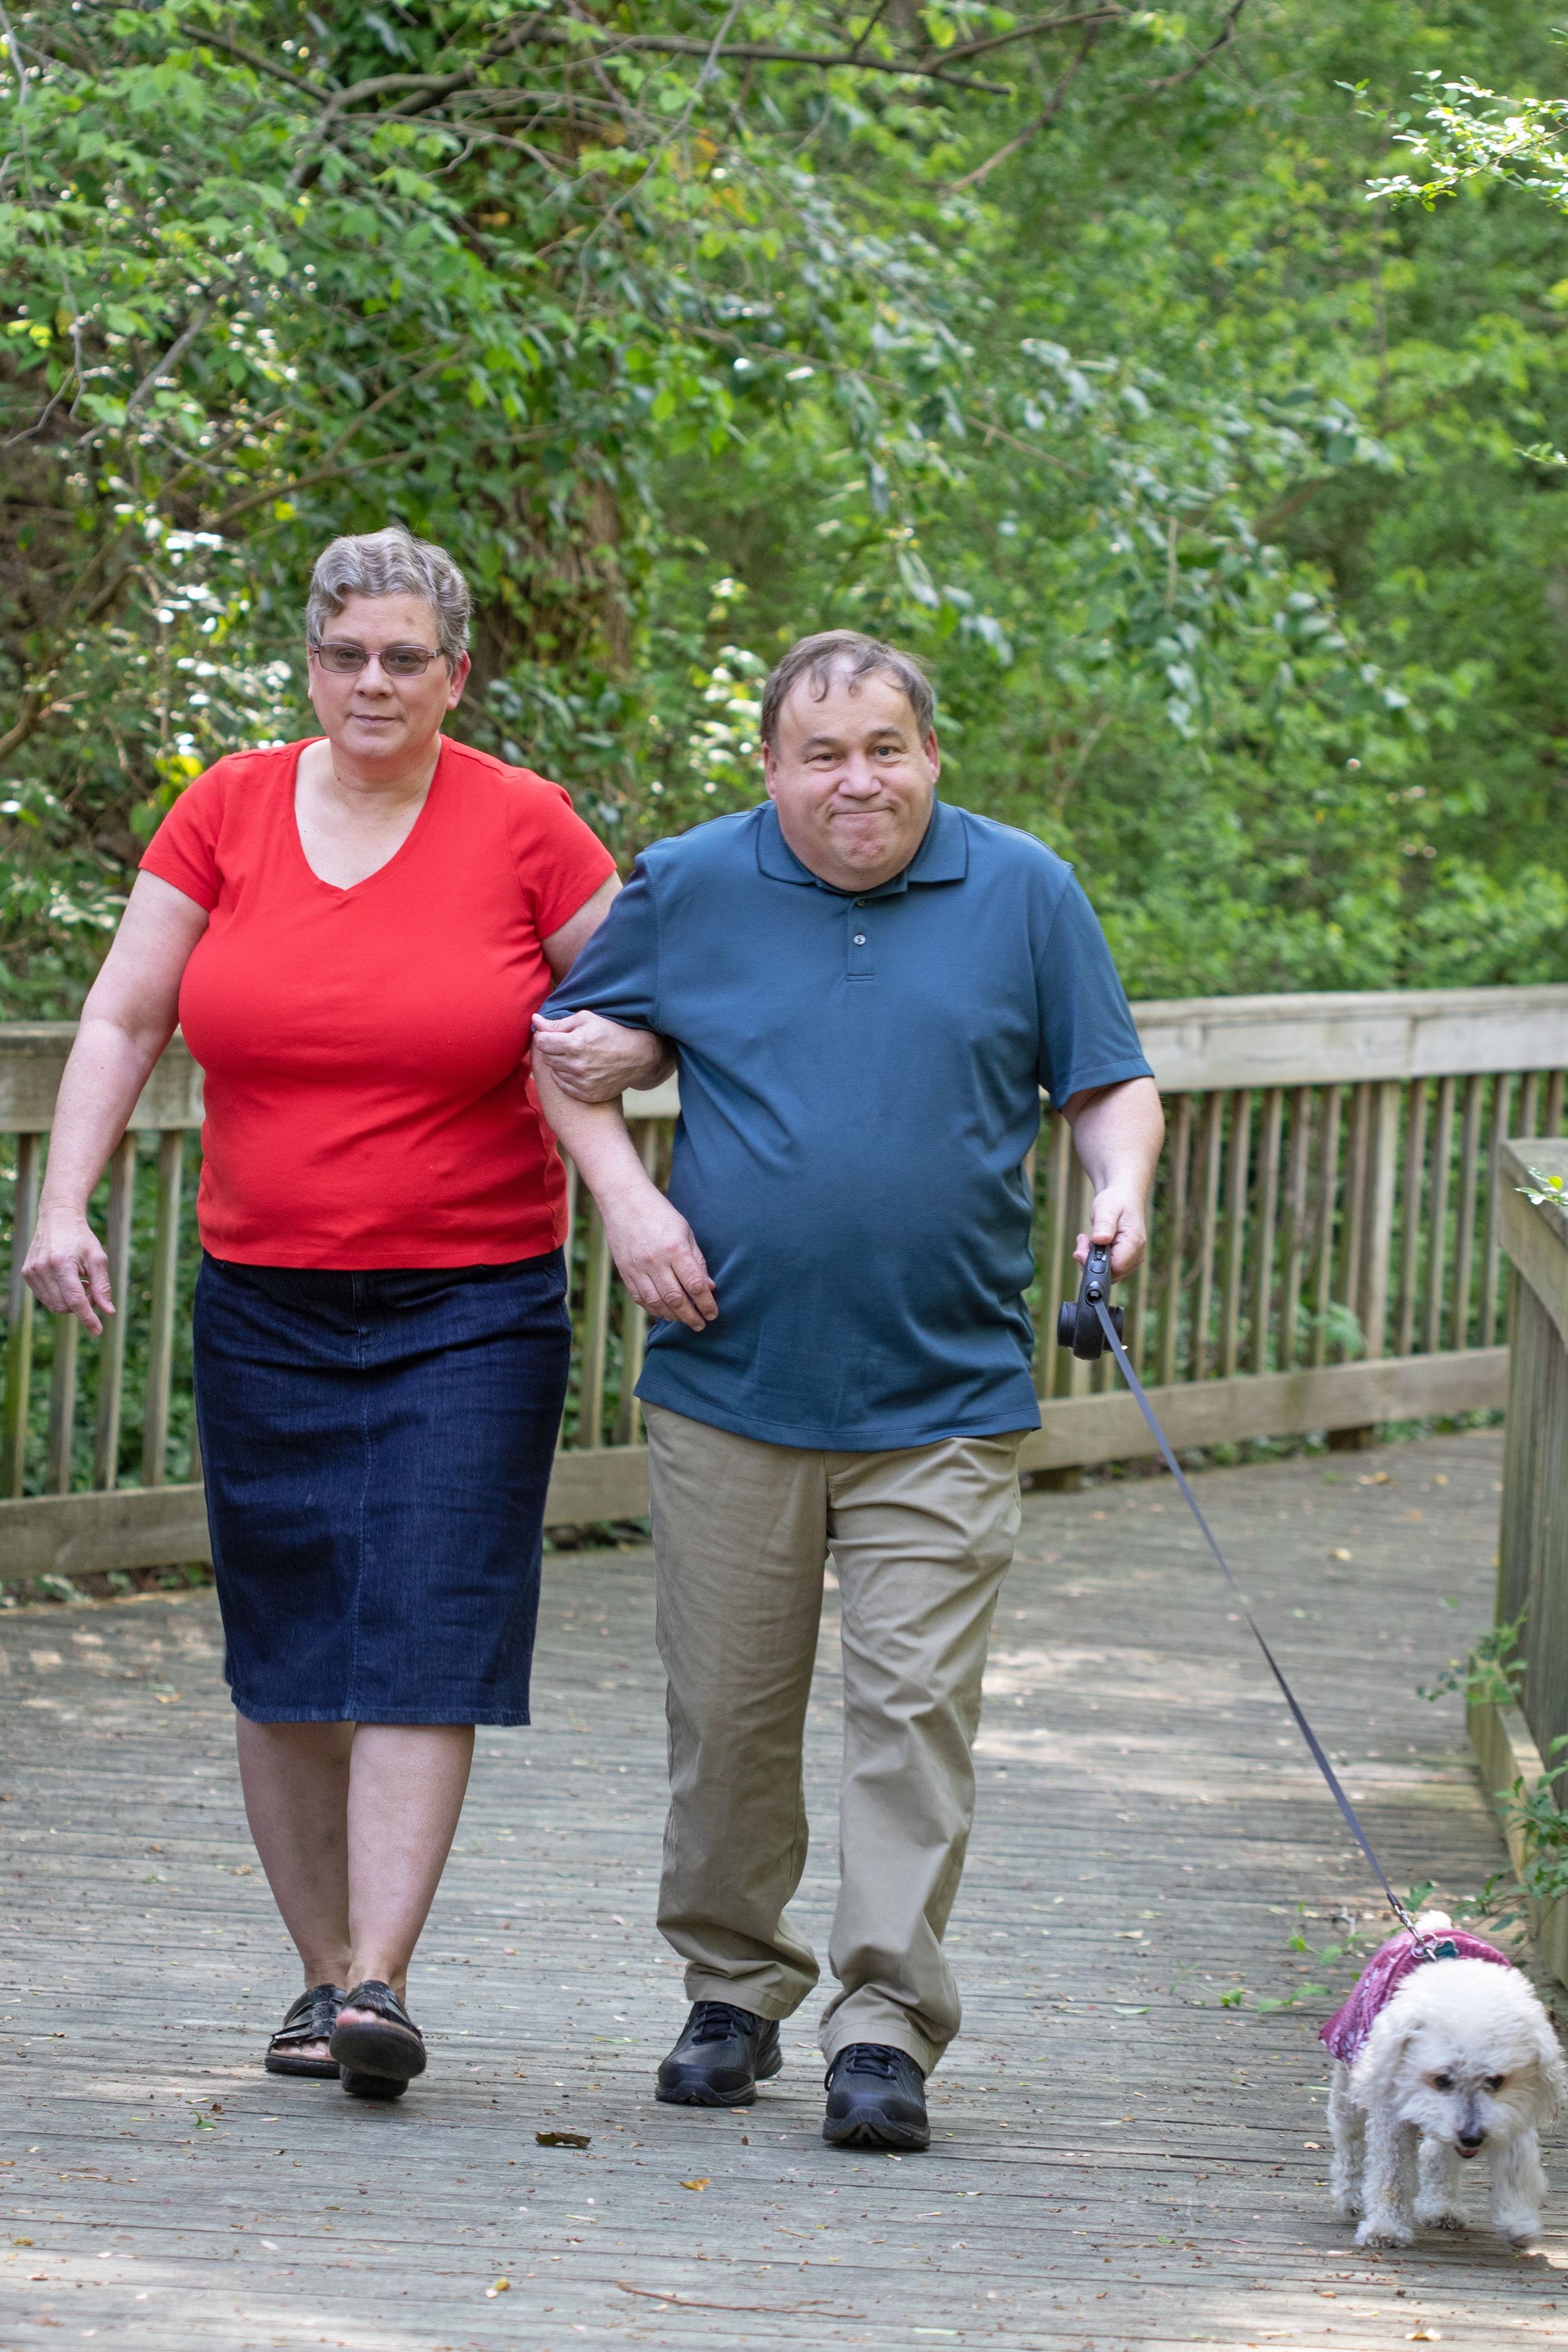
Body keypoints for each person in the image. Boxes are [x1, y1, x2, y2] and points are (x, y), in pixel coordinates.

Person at [24, 527, 661, 2101]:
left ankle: (381, 1978)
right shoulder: (227, 810)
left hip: (473, 1298)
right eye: (344, 655)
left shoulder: (524, 824)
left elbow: (643, 1006)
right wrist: (58, 1203)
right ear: (311, 665)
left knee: (426, 1633)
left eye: (404, 657)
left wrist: (626, 1076)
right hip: (266, 1300)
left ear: (456, 673)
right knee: (292, 1645)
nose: (372, 682)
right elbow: (122, 1013)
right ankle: (320, 1981)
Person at [530, 629, 1164, 2151]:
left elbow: (1106, 1079)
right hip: (727, 1381)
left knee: (912, 1717)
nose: (856, 781)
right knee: (731, 1716)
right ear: (772, 767)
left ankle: (882, 2024)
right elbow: (561, 1060)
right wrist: (628, 1203)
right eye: (822, 755)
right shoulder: (689, 882)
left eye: (886, 748)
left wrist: (1117, 1188)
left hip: (944, 1389)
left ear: (931, 754)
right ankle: (733, 1991)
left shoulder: (1024, 889)